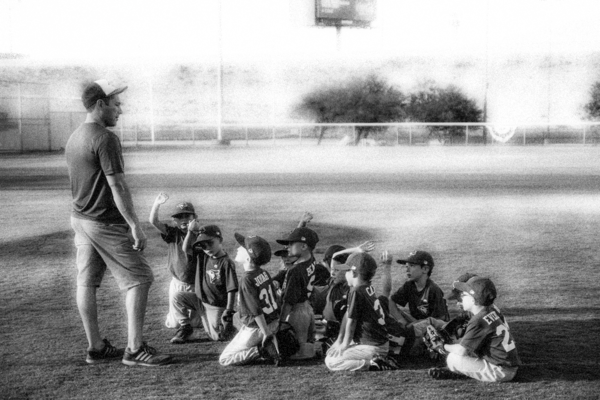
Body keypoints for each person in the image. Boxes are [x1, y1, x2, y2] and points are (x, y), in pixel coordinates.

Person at [65, 79, 170, 366]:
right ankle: (135, 349)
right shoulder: (105, 138)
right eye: (117, 104)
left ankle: (96, 347)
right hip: (104, 222)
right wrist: (134, 224)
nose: (120, 111)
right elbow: (118, 186)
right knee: (140, 279)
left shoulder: (74, 137)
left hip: (80, 218)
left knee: (86, 282)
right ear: (100, 104)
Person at [428, 276, 522, 382]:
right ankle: (467, 371)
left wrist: (442, 346)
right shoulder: (489, 311)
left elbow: (461, 351)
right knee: (467, 348)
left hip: (502, 371)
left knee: (452, 358)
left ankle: (461, 373)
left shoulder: (478, 320)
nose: (461, 298)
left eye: (464, 295)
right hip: (507, 365)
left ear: (473, 300)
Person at [324, 252, 398, 371]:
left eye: (346, 271)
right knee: (331, 352)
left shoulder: (356, 291)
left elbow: (351, 322)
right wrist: (339, 340)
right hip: (379, 344)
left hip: (373, 347)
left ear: (353, 273)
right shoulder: (368, 288)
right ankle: (376, 358)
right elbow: (348, 315)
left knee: (331, 361)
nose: (345, 274)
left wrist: (344, 345)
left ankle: (373, 363)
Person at [148, 192, 202, 344]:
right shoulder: (174, 233)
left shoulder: (201, 235)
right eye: (180, 217)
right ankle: (184, 327)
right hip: (177, 282)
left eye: (188, 216)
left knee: (199, 323)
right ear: (176, 221)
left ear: (195, 218)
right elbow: (153, 221)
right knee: (175, 323)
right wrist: (157, 203)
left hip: (195, 284)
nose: (184, 220)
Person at [219, 233, 280, 366]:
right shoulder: (264, 273)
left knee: (225, 359)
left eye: (242, 247)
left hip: (258, 327)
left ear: (248, 258)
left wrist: (266, 333)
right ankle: (273, 339)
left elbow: (255, 310)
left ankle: (263, 350)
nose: (238, 248)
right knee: (237, 317)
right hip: (272, 321)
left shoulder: (246, 279)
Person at [381, 250, 449, 358]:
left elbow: (439, 321)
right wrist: (401, 320)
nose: (407, 269)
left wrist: (413, 326)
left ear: (425, 269)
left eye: (412, 266)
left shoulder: (433, 290)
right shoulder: (409, 285)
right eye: (406, 266)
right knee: (383, 304)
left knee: (409, 340)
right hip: (416, 325)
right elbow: (391, 302)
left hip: (432, 330)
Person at [183, 222, 238, 341]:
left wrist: (229, 310)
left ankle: (234, 327)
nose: (207, 248)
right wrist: (190, 231)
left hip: (216, 306)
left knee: (217, 337)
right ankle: (185, 328)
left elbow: (231, 288)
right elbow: (186, 248)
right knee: (178, 297)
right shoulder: (203, 255)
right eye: (203, 245)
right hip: (200, 301)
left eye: (210, 243)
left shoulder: (226, 262)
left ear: (220, 240)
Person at [275, 227, 320, 360]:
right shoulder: (311, 259)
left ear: (304, 246)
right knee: (304, 342)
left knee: (295, 352)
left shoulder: (295, 270)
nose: (287, 247)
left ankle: (314, 351)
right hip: (308, 309)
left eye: (291, 244)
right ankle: (313, 349)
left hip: (297, 311)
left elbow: (288, 301)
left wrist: (281, 322)